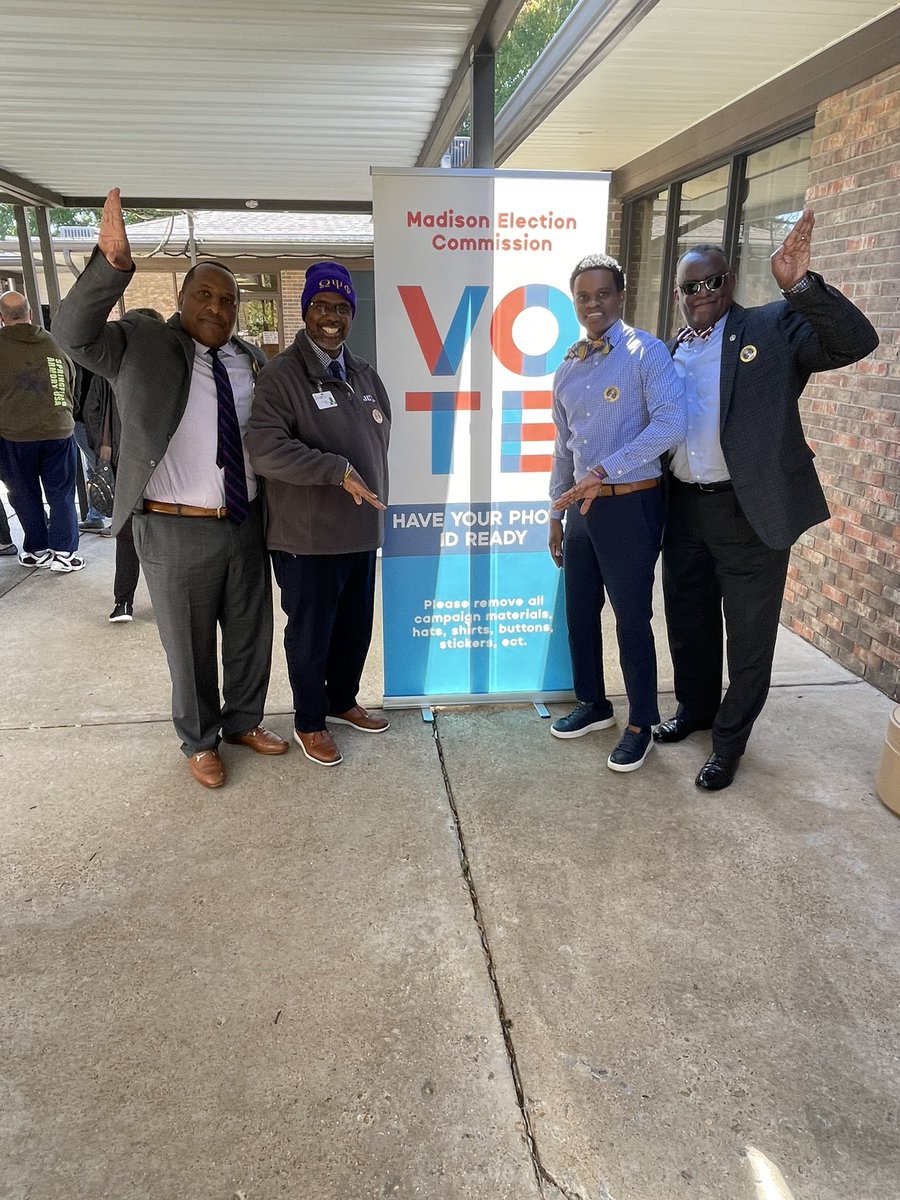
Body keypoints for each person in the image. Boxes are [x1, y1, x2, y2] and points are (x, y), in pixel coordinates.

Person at [53, 187, 289, 788]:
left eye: (228, 299)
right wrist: (111, 267)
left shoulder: (248, 360)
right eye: (204, 294)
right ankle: (200, 739)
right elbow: (72, 335)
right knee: (188, 646)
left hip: (244, 520)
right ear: (181, 298)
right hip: (173, 526)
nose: (217, 306)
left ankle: (243, 721)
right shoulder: (141, 344)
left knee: (250, 635)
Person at [655, 210, 879, 791]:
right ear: (678, 294)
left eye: (713, 281)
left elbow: (856, 341)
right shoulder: (670, 350)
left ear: (730, 282)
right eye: (690, 286)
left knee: (749, 637)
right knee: (688, 621)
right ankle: (695, 710)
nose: (702, 293)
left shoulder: (772, 327)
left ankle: (729, 742)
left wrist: (799, 286)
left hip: (749, 511)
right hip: (685, 509)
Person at [247, 262, 391, 767]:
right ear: (306, 310)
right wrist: (336, 469)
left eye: (342, 308)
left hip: (359, 531)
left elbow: (379, 437)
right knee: (311, 635)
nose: (333, 316)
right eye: (323, 306)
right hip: (306, 539)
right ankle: (310, 720)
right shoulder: (281, 376)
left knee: (354, 627)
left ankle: (341, 700)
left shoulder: (363, 373)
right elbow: (264, 450)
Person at [548, 253, 686, 773]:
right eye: (583, 296)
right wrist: (555, 513)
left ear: (621, 296)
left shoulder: (646, 353)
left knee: (631, 617)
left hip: (631, 504)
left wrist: (605, 470)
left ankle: (641, 723)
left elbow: (671, 424)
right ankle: (594, 703)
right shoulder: (568, 367)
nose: (593, 304)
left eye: (602, 293)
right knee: (580, 612)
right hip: (581, 512)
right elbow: (563, 448)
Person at [81, 307, 165, 622]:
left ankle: (123, 602)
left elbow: (91, 411)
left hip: (123, 464)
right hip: (161, 464)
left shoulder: (110, 367)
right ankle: (164, 601)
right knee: (162, 534)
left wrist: (104, 450)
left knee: (127, 534)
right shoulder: (167, 367)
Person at [0, 291, 83, 572]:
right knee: (61, 492)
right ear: (30, 314)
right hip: (58, 430)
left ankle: (37, 550)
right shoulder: (53, 343)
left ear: (1, 317)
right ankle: (64, 553)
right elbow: (71, 383)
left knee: (23, 493)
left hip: (14, 435)